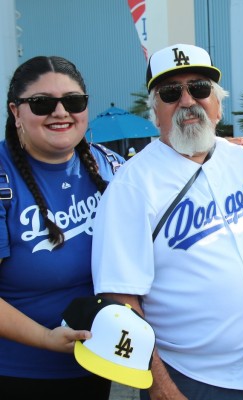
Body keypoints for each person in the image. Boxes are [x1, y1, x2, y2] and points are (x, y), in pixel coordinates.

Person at [91, 43, 243, 400]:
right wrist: (161, 387)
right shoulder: (131, 185)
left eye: (199, 88)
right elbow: (119, 299)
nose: (187, 101)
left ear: (218, 103)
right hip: (189, 380)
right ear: (155, 111)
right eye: (170, 92)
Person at [0, 56, 124, 399]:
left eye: (73, 101)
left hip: (96, 364)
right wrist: (45, 338)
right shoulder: (3, 177)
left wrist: (215, 153)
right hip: (18, 375)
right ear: (16, 112)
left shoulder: (112, 167)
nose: (60, 112)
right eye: (42, 103)